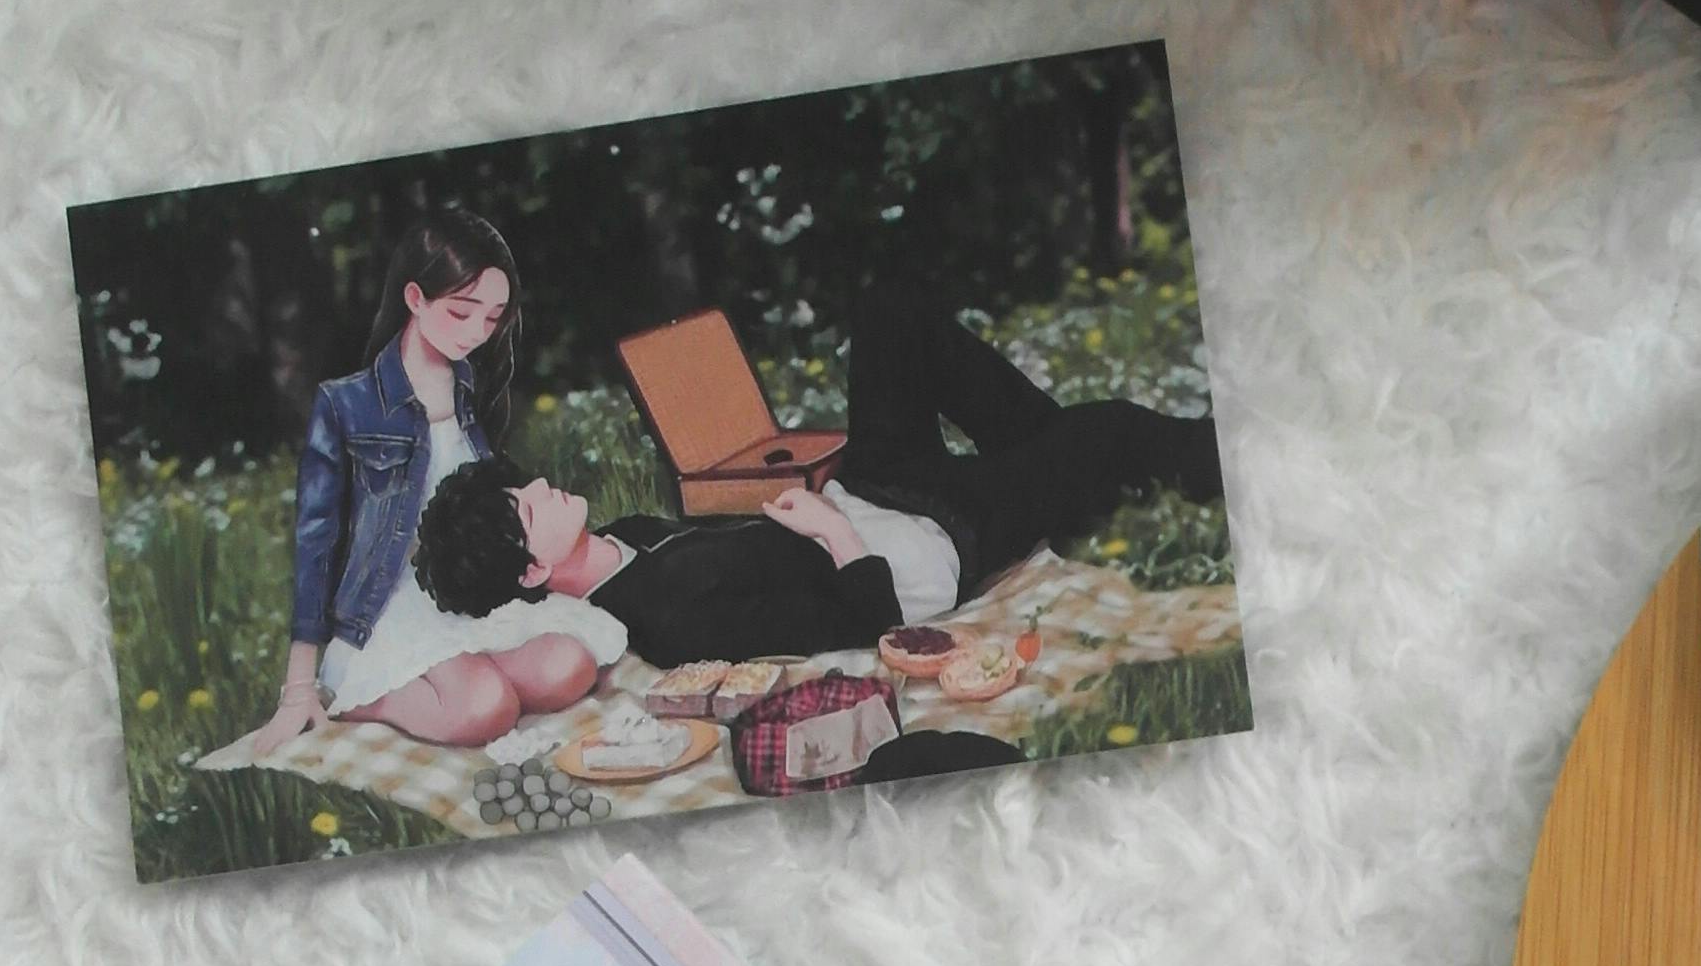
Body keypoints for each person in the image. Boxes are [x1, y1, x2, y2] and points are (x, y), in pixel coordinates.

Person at [407, 259, 1223, 669]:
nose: (543, 485)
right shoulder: (668, 619)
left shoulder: (622, 540)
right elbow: (861, 626)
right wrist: (834, 531)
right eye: (528, 506)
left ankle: (1053, 465)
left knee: (890, 309)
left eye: (523, 484)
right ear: (533, 573)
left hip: (874, 494)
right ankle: (1175, 462)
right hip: (925, 547)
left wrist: (833, 505)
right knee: (1110, 429)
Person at [242, 212, 619, 757]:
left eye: (492, 318)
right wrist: (299, 686)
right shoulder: (346, 405)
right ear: (415, 298)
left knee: (569, 665)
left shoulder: (470, 385)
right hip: (385, 609)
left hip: (463, 594)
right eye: (462, 312)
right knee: (484, 708)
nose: (477, 332)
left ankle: (471, 673)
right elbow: (315, 543)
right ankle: (362, 696)